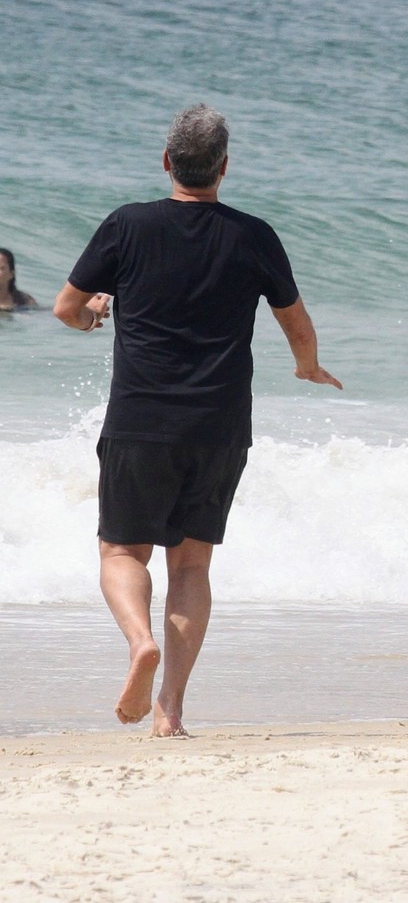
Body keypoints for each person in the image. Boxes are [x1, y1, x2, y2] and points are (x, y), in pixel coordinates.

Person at [53, 104, 342, 737]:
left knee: (123, 550)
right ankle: (171, 712)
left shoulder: (127, 225)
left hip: (140, 418)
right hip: (218, 421)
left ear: (166, 162)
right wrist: (308, 367)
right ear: (224, 168)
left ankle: (139, 644)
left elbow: (65, 308)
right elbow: (294, 318)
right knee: (191, 565)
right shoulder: (253, 234)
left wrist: (96, 313)